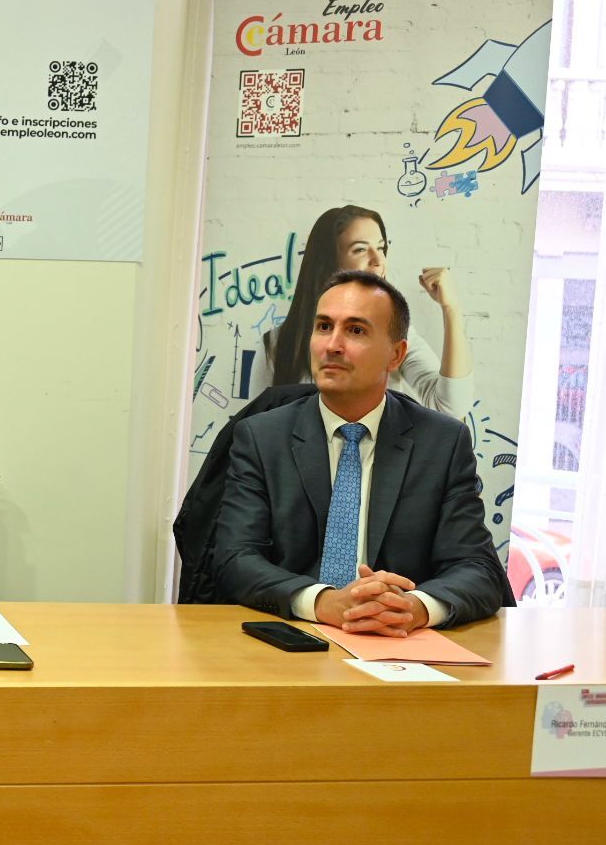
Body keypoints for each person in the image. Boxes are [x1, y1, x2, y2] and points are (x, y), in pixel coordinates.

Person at [215, 269, 512, 634]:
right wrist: (324, 602)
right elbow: (234, 558)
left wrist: (413, 607)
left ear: (396, 354)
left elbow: (477, 567)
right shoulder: (262, 437)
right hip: (293, 635)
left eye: (355, 330)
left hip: (399, 645)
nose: (332, 345)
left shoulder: (442, 443)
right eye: (324, 326)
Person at [249, 204, 473, 419]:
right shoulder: (277, 344)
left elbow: (450, 407)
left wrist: (451, 309)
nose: (378, 261)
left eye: (381, 247)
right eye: (360, 249)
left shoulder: (396, 336)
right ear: (329, 261)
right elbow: (258, 433)